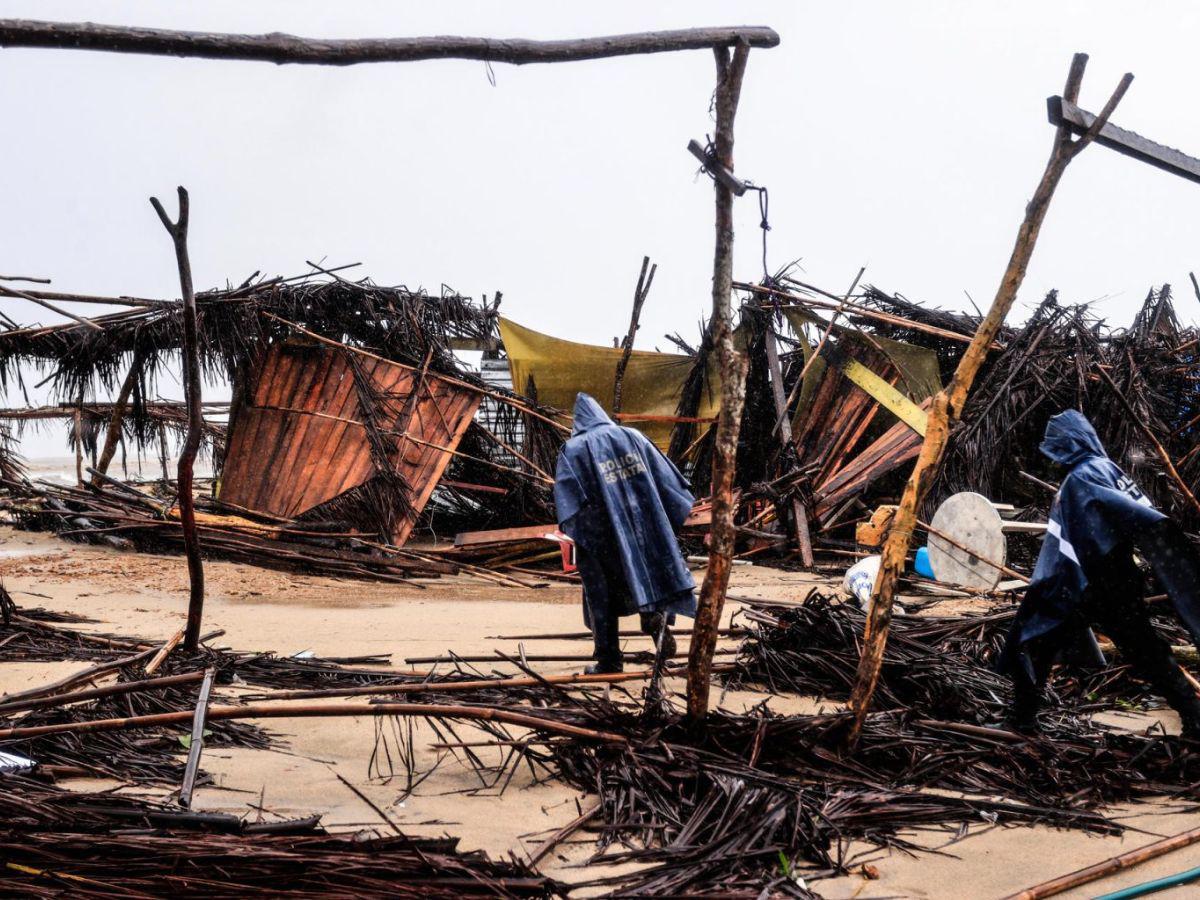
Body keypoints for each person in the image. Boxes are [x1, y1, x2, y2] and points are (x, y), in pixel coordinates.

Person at [1000, 410, 1200, 736]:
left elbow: (1080, 536)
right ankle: (1193, 715)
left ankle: (1022, 720)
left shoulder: (1080, 477)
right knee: (1145, 650)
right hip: (1118, 577)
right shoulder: (1109, 469)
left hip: (1085, 581)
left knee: (1038, 642)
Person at [553, 393, 697, 674]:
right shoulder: (634, 436)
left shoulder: (574, 449)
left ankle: (609, 661)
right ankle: (655, 622)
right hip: (644, 525)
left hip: (599, 534)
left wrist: (582, 531)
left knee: (600, 593)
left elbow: (568, 497)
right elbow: (669, 481)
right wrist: (661, 521)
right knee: (648, 576)